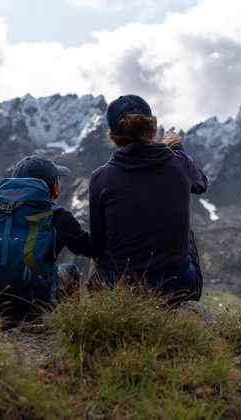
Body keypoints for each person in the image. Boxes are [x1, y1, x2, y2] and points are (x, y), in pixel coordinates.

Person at [89, 94, 208, 305]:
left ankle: (99, 304)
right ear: (153, 127)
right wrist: (176, 146)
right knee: (187, 233)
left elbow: (98, 246)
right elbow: (201, 184)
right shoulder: (180, 164)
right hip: (179, 288)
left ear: (113, 137)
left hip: (120, 290)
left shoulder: (100, 178)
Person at [0, 155, 92, 324]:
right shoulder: (58, 217)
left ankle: (12, 319)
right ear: (55, 187)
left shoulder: (1, 213)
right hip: (38, 303)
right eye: (57, 180)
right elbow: (90, 248)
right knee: (70, 270)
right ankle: (70, 324)